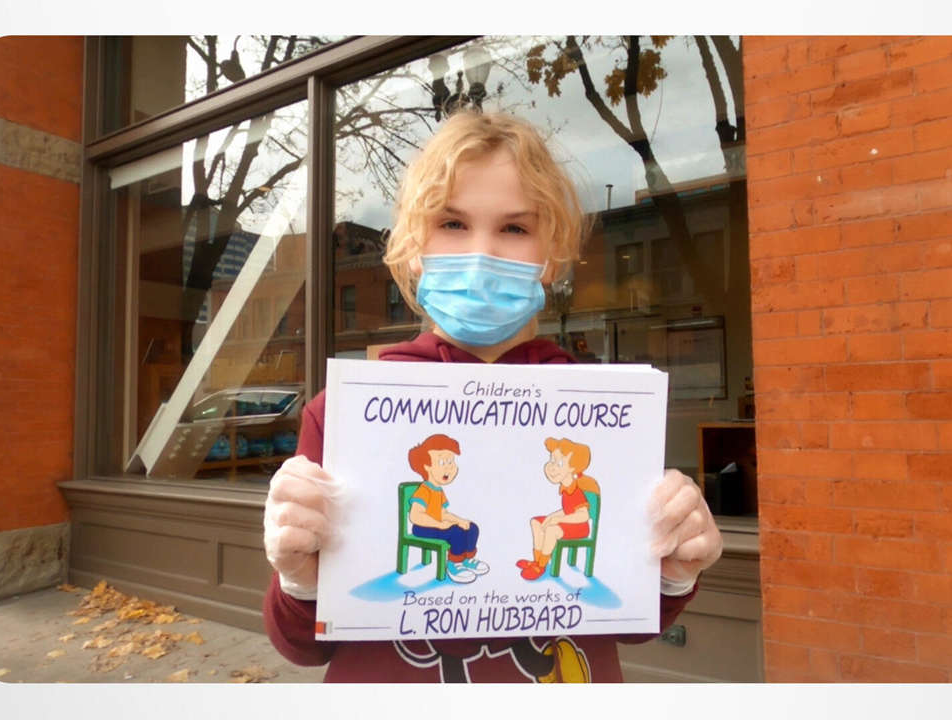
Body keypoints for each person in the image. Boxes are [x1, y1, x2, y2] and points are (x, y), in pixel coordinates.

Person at [262, 110, 722, 683]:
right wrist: (299, 577)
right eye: (452, 223)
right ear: (413, 246)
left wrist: (674, 571)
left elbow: (628, 621)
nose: (483, 253)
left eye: (515, 229)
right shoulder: (346, 415)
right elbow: (303, 647)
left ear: (551, 257)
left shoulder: (603, 419)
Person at [405, 433, 488, 583]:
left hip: (438, 525)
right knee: (455, 532)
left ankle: (467, 559)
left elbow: (443, 512)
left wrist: (459, 520)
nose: (449, 467)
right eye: (443, 462)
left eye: (451, 462)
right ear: (427, 466)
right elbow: (415, 516)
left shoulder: (438, 491)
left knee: (471, 527)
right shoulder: (424, 490)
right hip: (423, 528)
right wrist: (438, 524)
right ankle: (454, 564)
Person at [519, 437, 600, 581]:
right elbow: (568, 509)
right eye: (552, 460)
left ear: (573, 468)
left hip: (579, 527)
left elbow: (583, 515)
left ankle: (541, 565)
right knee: (536, 522)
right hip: (568, 523)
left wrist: (557, 520)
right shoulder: (565, 489)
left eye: (559, 463)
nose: (552, 467)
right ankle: (537, 559)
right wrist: (552, 517)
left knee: (552, 530)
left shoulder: (576, 491)